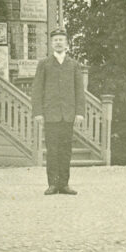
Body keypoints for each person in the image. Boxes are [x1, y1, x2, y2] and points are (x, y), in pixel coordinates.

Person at [32, 28, 86, 196]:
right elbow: (37, 89)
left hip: (68, 115)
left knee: (65, 150)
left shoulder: (74, 65)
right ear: (51, 43)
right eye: (55, 40)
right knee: (52, 150)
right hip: (51, 114)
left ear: (66, 43)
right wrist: (38, 112)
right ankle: (53, 184)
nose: (58, 42)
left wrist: (79, 112)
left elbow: (79, 90)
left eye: (61, 39)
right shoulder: (44, 64)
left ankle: (64, 184)